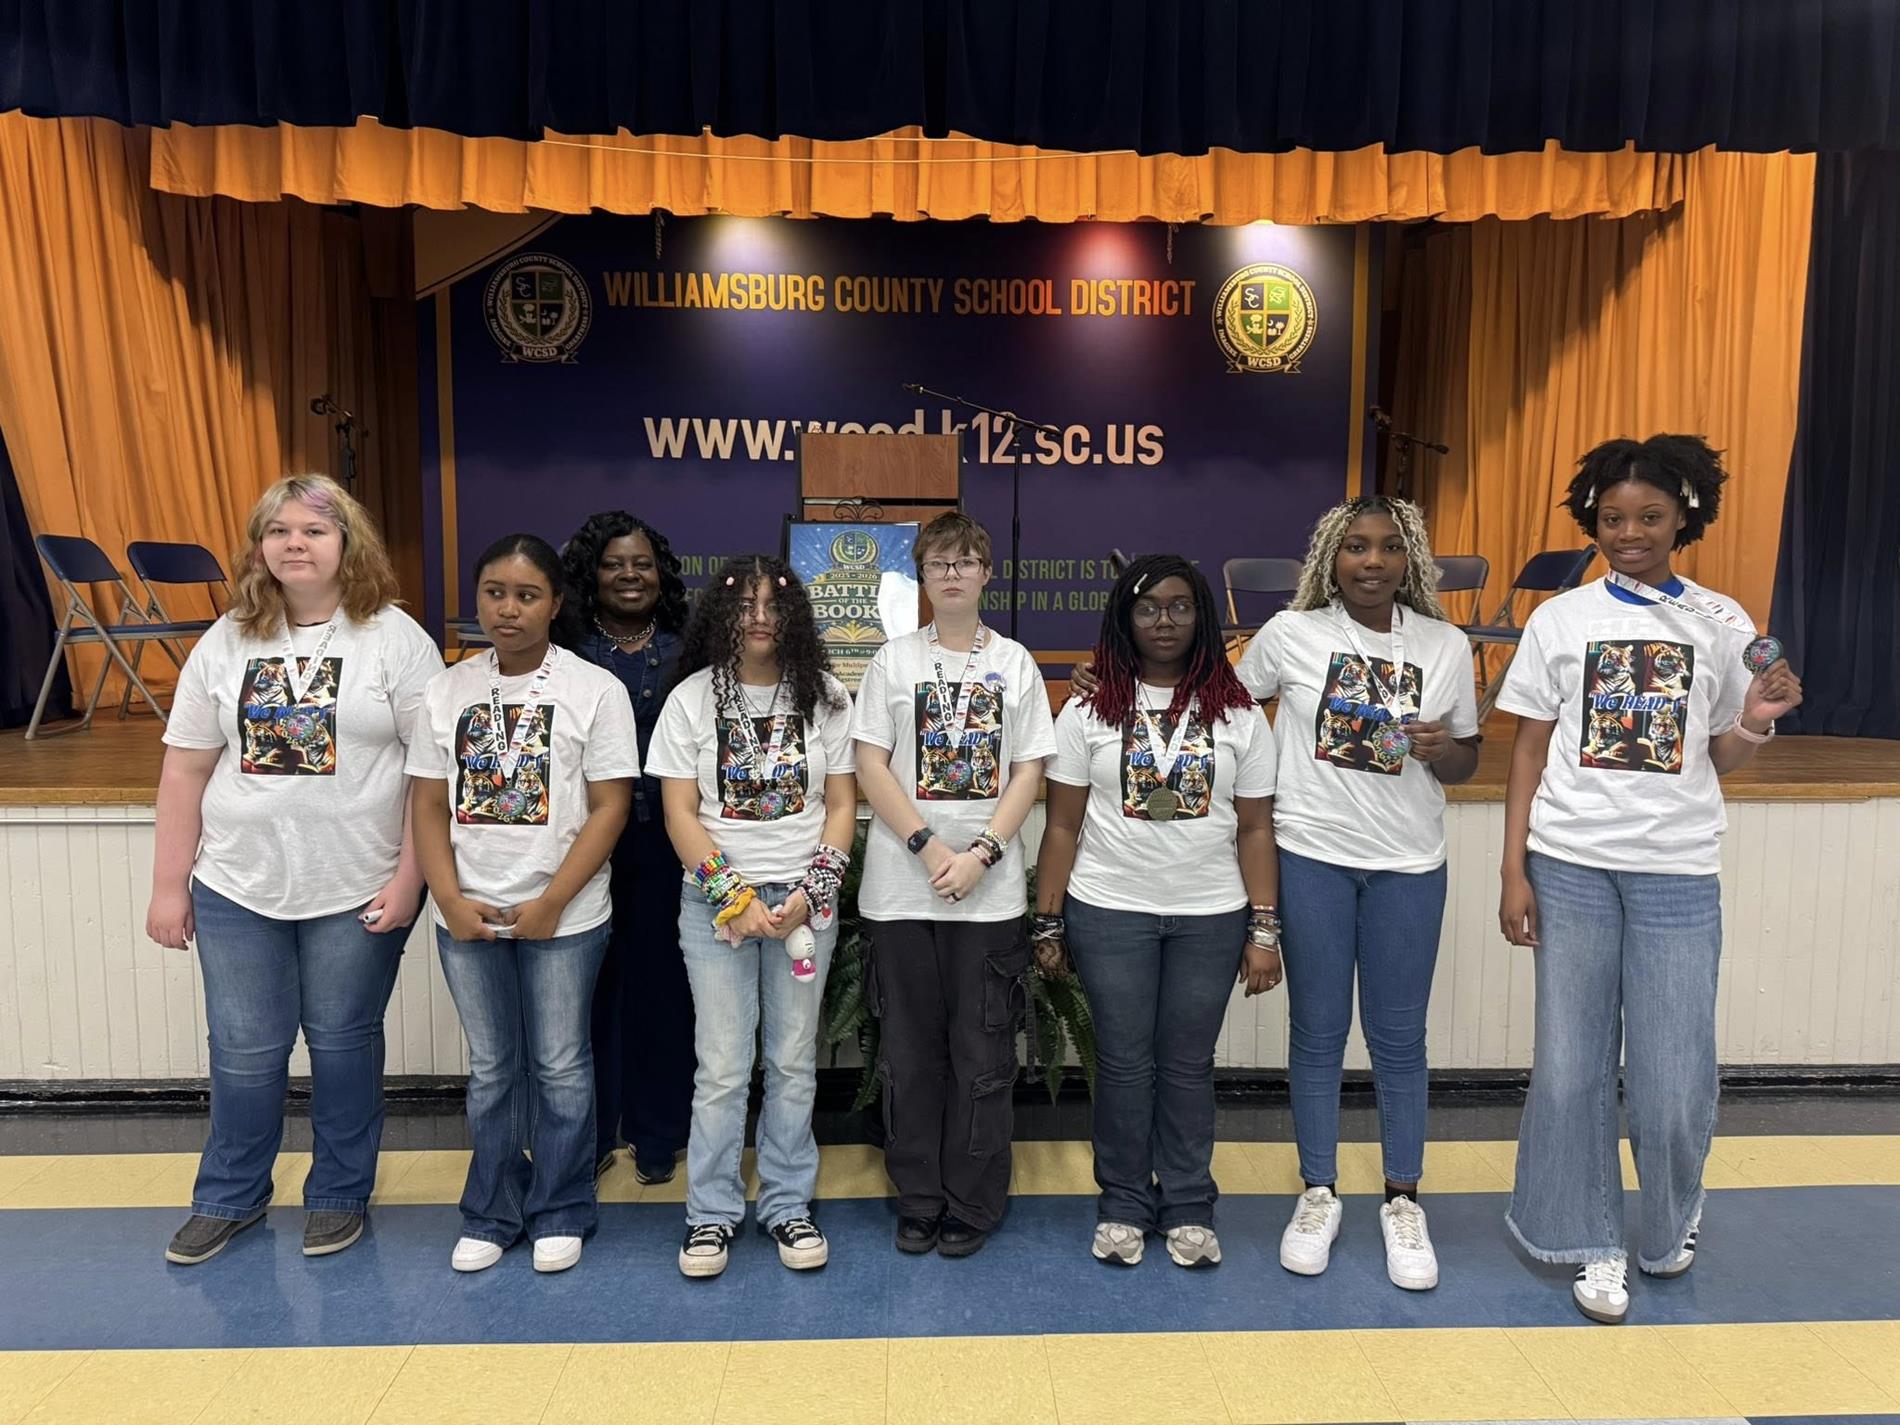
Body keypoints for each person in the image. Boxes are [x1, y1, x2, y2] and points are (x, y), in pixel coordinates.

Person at [1497, 435, 1802, 1324]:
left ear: (1685, 519)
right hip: (1571, 863)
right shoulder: (1561, 619)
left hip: (1676, 870)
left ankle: (1671, 1220)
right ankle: (1589, 1239)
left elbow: (1723, 755)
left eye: (1650, 518)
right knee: (1569, 1066)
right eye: (1613, 518)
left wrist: (1754, 720)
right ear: (1592, 520)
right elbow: (1527, 744)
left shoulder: (1723, 621)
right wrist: (1513, 865)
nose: (1628, 533)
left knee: (1672, 1080)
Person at [147, 473, 440, 1266]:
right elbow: (184, 769)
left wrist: (411, 877)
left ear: (349, 541)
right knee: (244, 1049)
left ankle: (340, 1192)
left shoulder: (395, 640)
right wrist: (169, 884)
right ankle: (230, 1197)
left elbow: (430, 771)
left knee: (343, 1044)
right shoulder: (228, 639)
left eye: (313, 530)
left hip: (358, 884)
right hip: (239, 884)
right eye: (278, 531)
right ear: (259, 547)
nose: (294, 544)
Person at [1237, 496, 1481, 1291]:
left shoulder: (1446, 645)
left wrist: (1447, 750)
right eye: (1353, 548)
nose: (1370, 561)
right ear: (1328, 561)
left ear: (1410, 558)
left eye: (1386, 548)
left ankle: (1403, 1200)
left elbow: (1467, 760)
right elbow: (1223, 706)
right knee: (1316, 1031)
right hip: (1310, 855)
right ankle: (1317, 1190)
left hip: (1409, 863)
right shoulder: (1291, 636)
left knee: (1400, 1037)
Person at [1035, 555, 1282, 1270]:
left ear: (1202, 616)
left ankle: (1187, 1204)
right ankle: (1120, 1201)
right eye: (1148, 608)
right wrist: (1049, 921)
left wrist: (1264, 927)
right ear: (1124, 618)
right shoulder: (1087, 709)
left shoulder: (1238, 713)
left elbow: (1257, 829)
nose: (1165, 620)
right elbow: (1060, 828)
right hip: (1110, 909)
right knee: (1121, 1064)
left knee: (1185, 1065)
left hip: (1210, 914)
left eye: (1180, 607)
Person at [409, 534, 636, 1275]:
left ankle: (562, 1206)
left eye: (527, 595)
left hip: (564, 918)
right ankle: (492, 1209)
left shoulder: (594, 690)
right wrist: (447, 898)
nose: (508, 609)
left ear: (557, 603)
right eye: (495, 593)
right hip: (467, 916)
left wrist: (550, 902)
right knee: (494, 1069)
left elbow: (609, 807)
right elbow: (428, 804)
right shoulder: (447, 690)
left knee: (563, 1064)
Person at [646, 556, 857, 1280]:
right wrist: (731, 896)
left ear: (794, 614)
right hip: (716, 904)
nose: (760, 615)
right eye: (744, 603)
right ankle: (710, 1213)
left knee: (793, 1062)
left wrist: (811, 889)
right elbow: (677, 810)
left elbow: (840, 805)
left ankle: (787, 1202)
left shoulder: (825, 697)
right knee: (723, 1065)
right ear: (720, 615)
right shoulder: (691, 700)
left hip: (804, 899)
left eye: (774, 603)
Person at [851, 512, 1055, 1258]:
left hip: (987, 894)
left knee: (983, 1051)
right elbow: (871, 763)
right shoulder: (893, 662)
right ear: (922, 575)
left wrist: (982, 853)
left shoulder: (1018, 663)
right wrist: (929, 843)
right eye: (940, 563)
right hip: (902, 890)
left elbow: (1029, 768)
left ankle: (972, 1198)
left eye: (967, 561)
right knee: (910, 1053)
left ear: (987, 572)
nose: (954, 574)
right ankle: (919, 1195)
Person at [562, 511, 694, 1187]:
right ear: (591, 573)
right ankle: (587, 1134)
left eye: (641, 562)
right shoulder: (564, 645)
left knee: (662, 988)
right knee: (584, 991)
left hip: (665, 846)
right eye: (614, 563)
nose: (629, 574)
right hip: (579, 844)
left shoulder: (689, 645)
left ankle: (658, 1130)